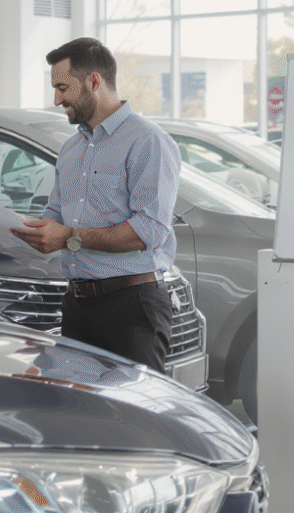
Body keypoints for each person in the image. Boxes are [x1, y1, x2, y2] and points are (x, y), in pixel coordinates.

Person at [10, 38, 182, 373]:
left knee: (132, 417)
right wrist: (26, 229)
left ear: (93, 81)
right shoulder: (71, 149)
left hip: (132, 307)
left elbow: (148, 232)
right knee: (83, 416)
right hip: (77, 305)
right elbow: (55, 217)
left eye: (62, 87)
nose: (57, 100)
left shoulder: (148, 141)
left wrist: (69, 237)